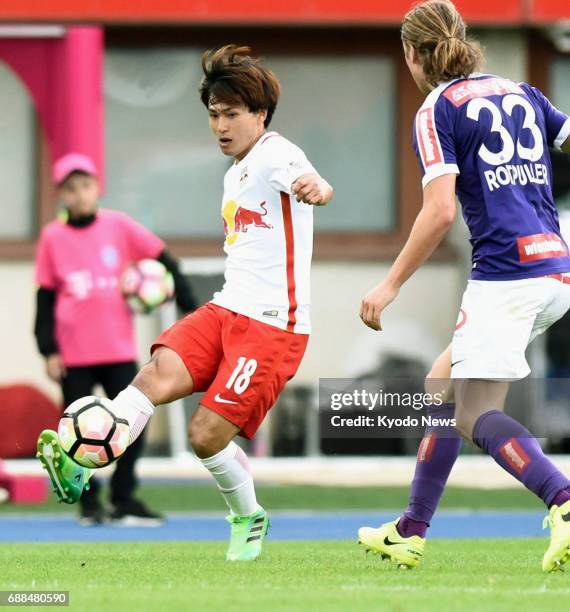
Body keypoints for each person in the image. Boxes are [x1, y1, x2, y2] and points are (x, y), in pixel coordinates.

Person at [37, 45, 333, 560]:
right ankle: (83, 457)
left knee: (204, 436)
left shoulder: (278, 154)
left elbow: (311, 182)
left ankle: (247, 515)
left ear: (259, 114)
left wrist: (316, 187)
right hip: (225, 311)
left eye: (232, 114)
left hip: (272, 327)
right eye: (214, 115)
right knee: (151, 377)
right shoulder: (234, 172)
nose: (220, 125)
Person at [357, 0, 570, 572]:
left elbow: (439, 212)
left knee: (474, 412)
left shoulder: (436, 110)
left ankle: (564, 501)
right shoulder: (520, 90)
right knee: (441, 385)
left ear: (413, 54)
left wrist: (390, 284)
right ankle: (410, 530)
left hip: (505, 277)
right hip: (555, 269)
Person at [34, 152, 197, 525]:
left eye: (85, 186)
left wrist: (189, 303)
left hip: (117, 349)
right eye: (71, 188)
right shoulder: (52, 238)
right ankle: (89, 504)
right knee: (76, 433)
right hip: (73, 354)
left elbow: (163, 256)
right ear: (61, 193)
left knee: (132, 425)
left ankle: (124, 498)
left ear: (97, 188)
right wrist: (48, 349)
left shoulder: (118, 226)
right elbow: (43, 298)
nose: (79, 194)